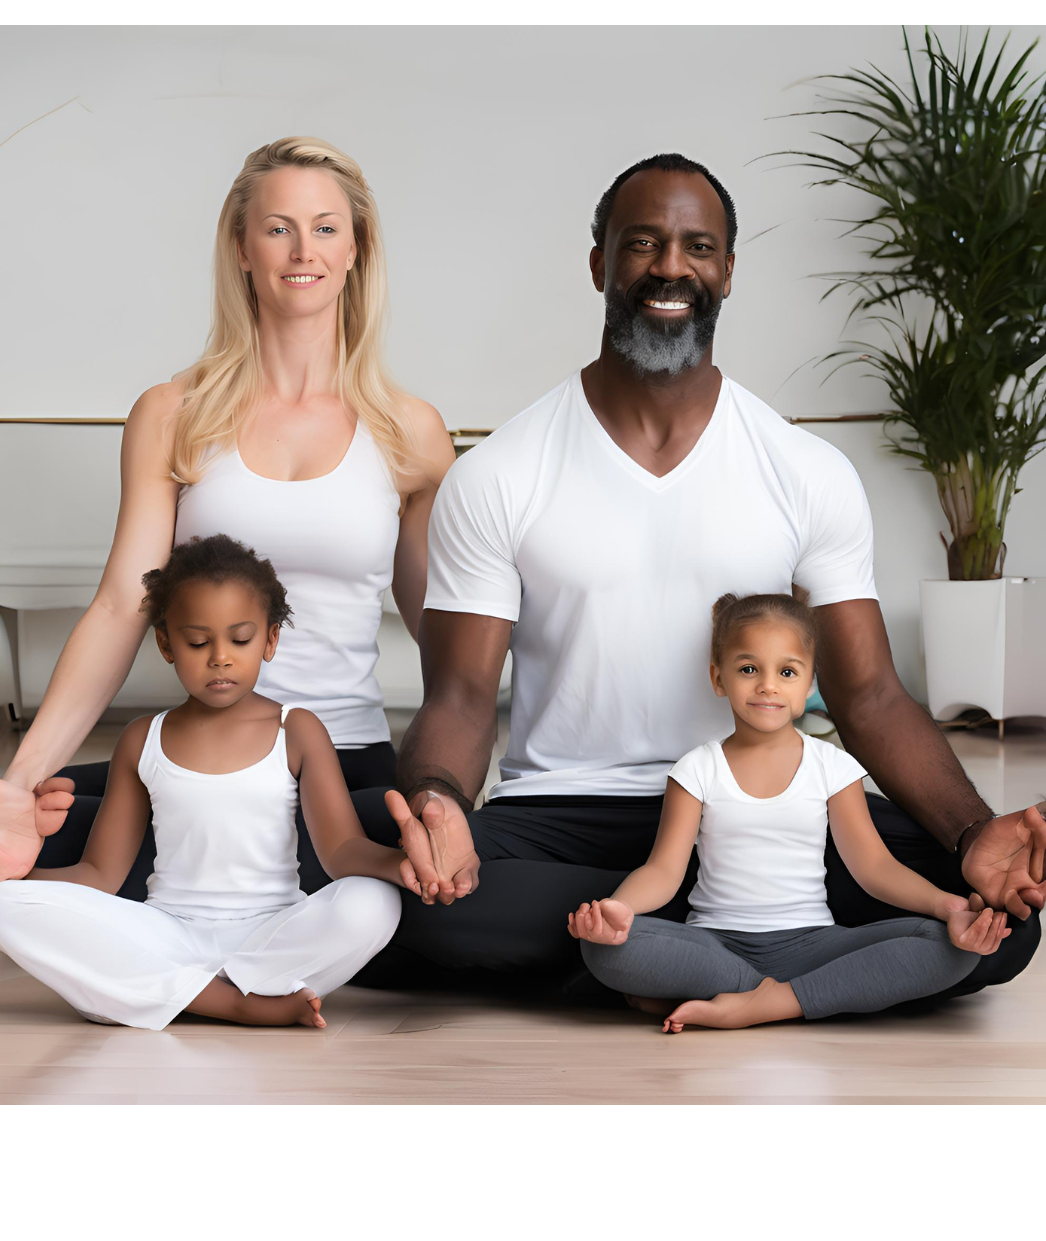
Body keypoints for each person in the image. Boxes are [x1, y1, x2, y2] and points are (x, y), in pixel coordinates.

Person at [376, 152, 1045, 1003]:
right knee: (393, 881)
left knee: (1001, 924)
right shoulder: (502, 472)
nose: (669, 267)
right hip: (571, 816)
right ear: (599, 266)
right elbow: (460, 700)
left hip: (769, 816)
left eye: (697, 246)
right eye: (642, 244)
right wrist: (436, 804)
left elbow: (870, 695)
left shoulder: (805, 470)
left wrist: (973, 833)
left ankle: (645, 959)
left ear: (727, 270)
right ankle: (794, 968)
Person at [0, 136, 454, 912]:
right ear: (241, 249)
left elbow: (448, 640)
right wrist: (18, 783)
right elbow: (123, 605)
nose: (303, 249)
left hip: (342, 765)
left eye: (327, 227)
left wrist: (454, 795)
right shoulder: (174, 415)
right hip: (200, 752)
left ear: (357, 248)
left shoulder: (410, 433)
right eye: (278, 227)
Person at [0, 536, 410, 1029]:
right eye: (198, 643)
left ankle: (172, 992)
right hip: (169, 932)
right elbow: (99, 875)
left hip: (271, 931)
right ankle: (240, 1000)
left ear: (270, 640)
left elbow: (342, 850)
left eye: (239, 639)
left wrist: (402, 864)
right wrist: (18, 875)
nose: (219, 657)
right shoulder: (143, 738)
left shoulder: (298, 729)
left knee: (374, 903)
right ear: (166, 644)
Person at [568, 592, 1011, 1031]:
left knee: (951, 947)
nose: (767, 685)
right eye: (748, 669)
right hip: (715, 946)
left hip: (814, 944)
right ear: (718, 678)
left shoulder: (832, 767)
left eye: (786, 671)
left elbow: (874, 867)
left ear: (808, 685)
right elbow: (663, 871)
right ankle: (792, 995)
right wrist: (618, 909)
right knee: (603, 949)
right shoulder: (696, 768)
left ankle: (765, 1002)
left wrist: (947, 906)